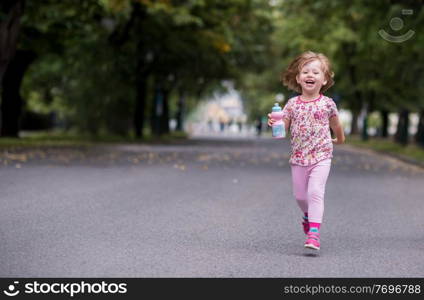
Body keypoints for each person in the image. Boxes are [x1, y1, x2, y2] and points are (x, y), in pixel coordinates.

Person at [268, 51, 345, 251]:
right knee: (300, 197)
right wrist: (275, 122)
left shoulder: (328, 103)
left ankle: (314, 234)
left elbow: (336, 125)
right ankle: (307, 215)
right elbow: (283, 126)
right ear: (298, 78)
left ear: (325, 79)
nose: (310, 75)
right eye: (305, 72)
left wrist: (340, 139)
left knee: (315, 193)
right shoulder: (292, 104)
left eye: (316, 72)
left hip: (322, 155)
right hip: (299, 157)